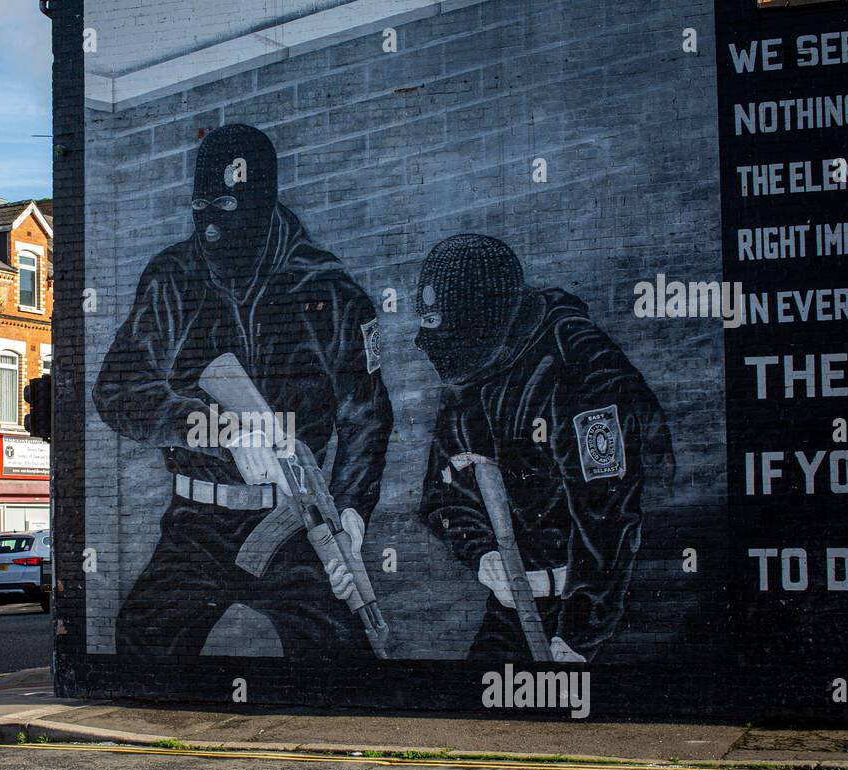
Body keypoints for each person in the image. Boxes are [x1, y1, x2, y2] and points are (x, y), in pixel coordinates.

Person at [92, 123, 393, 659]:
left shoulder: (326, 289)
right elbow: (118, 389)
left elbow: (366, 415)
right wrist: (218, 430)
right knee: (141, 641)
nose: (211, 227)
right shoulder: (173, 278)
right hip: (196, 524)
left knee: (343, 656)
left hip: (296, 518)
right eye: (201, 206)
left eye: (228, 208)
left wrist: (348, 512)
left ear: (264, 201)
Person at [415, 234, 674, 663]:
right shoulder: (472, 366)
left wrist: (579, 635)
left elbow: (609, 516)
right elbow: (443, 489)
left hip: (605, 606)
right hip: (520, 602)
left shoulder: (582, 370)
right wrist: (483, 555)